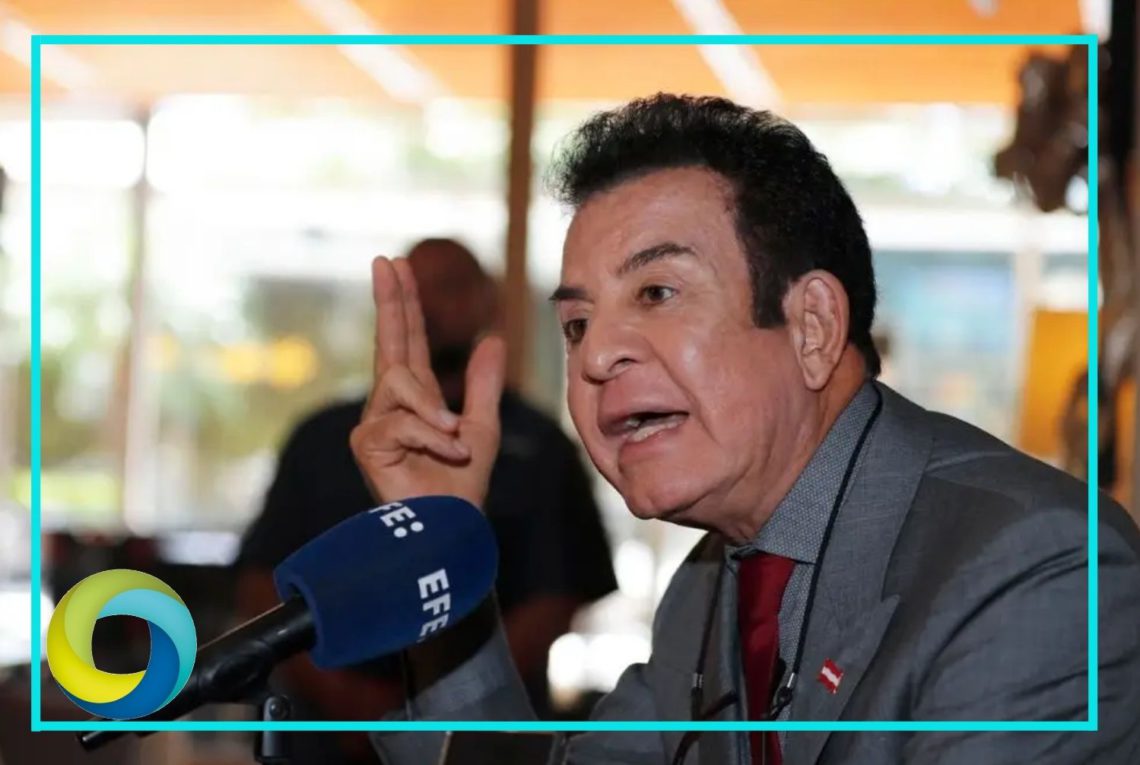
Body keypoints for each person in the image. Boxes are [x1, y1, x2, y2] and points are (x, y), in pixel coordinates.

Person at [357, 96, 1140, 764]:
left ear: (812, 326)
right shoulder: (710, 587)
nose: (595, 355)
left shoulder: (1040, 568)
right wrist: (435, 547)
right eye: (576, 324)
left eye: (656, 292)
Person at [235, 238, 618, 764]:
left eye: (450, 288)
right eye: (415, 293)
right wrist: (345, 698)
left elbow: (559, 594)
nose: (433, 307)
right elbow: (260, 578)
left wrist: (438, 688)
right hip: (322, 737)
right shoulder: (322, 437)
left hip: (484, 736)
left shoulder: (543, 449)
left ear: (487, 302)